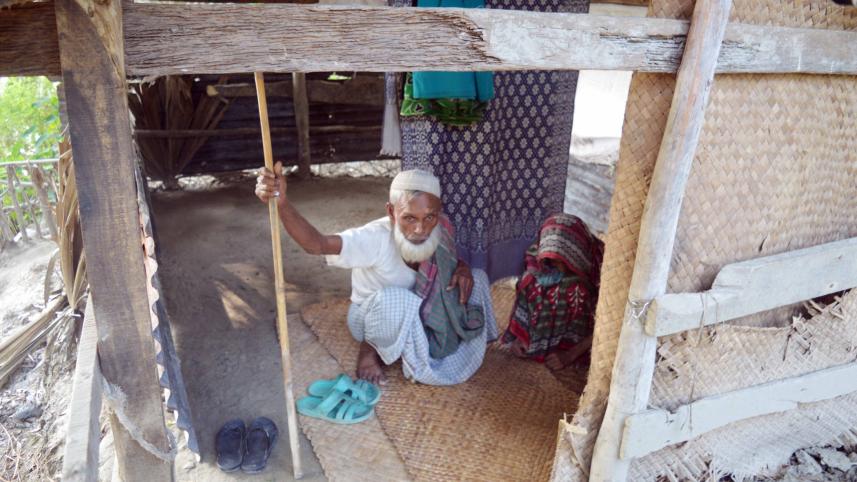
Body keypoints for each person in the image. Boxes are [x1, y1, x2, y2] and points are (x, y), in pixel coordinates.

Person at [255, 164, 498, 385]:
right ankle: (369, 351)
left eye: (429, 217)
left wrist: (463, 268)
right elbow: (316, 244)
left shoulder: (440, 227)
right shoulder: (374, 238)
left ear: (438, 212)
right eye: (409, 218)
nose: (420, 229)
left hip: (419, 313)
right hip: (371, 317)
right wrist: (282, 203)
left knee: (477, 278)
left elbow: (449, 262)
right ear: (392, 212)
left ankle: (472, 340)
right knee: (398, 299)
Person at [501, 213, 603, 371]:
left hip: (577, 346)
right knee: (533, 283)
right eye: (552, 260)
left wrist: (570, 355)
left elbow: (607, 323)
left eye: (562, 261)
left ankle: (564, 343)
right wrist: (519, 337)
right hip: (536, 339)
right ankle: (537, 341)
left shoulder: (600, 270)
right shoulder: (536, 262)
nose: (556, 265)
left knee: (575, 291)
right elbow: (525, 300)